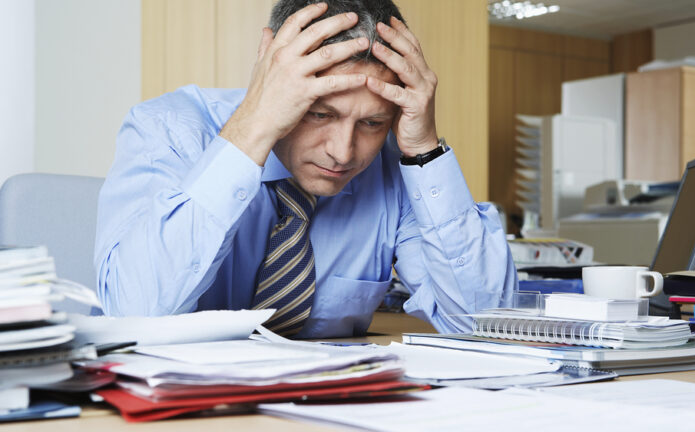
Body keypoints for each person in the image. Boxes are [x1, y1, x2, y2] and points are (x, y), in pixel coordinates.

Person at [94, 0, 517, 338]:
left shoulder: (395, 165)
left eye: (372, 123)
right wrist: (253, 126)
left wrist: (424, 150)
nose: (342, 152)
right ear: (271, 74)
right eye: (318, 114)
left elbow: (486, 325)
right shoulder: (168, 128)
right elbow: (133, 315)